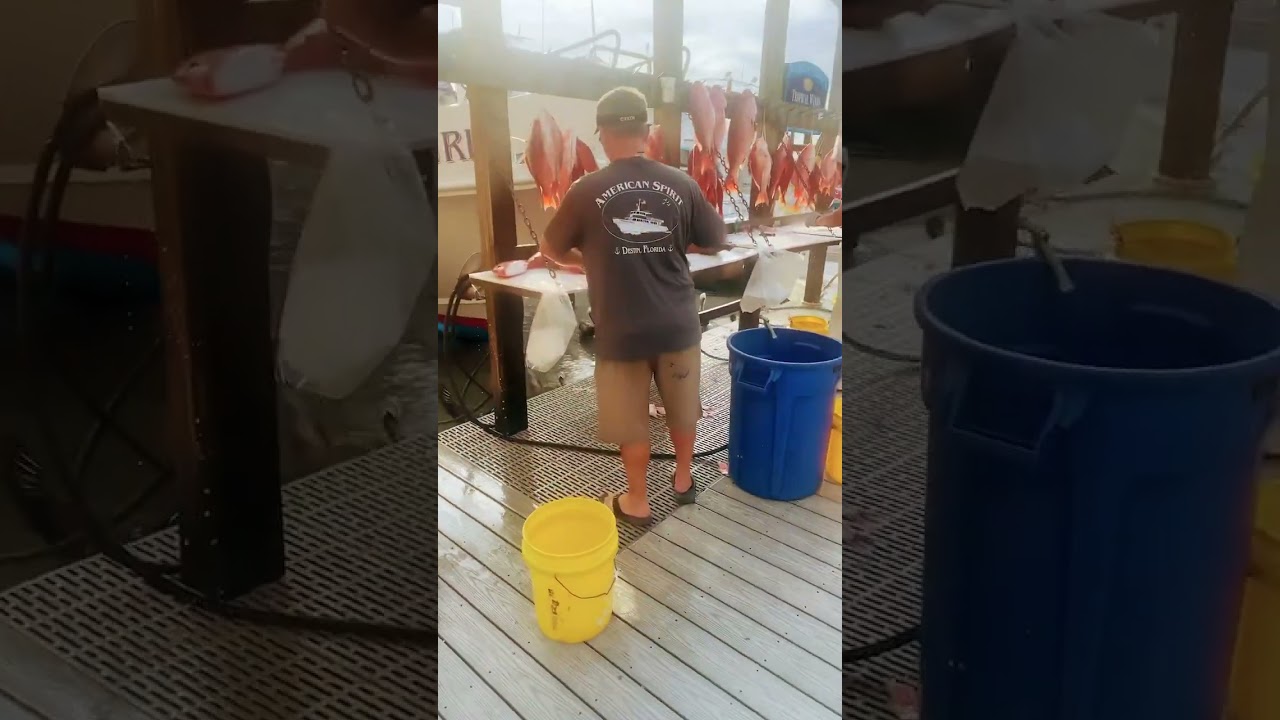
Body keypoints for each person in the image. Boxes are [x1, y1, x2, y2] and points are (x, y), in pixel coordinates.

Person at [541, 86, 732, 526]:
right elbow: (716, 239)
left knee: (631, 421)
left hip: (621, 331)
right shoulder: (682, 183)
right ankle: (683, 481)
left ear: (604, 134)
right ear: (646, 132)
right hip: (677, 325)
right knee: (683, 409)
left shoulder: (586, 189)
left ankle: (637, 502)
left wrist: (591, 259)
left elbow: (550, 250)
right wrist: (672, 244)